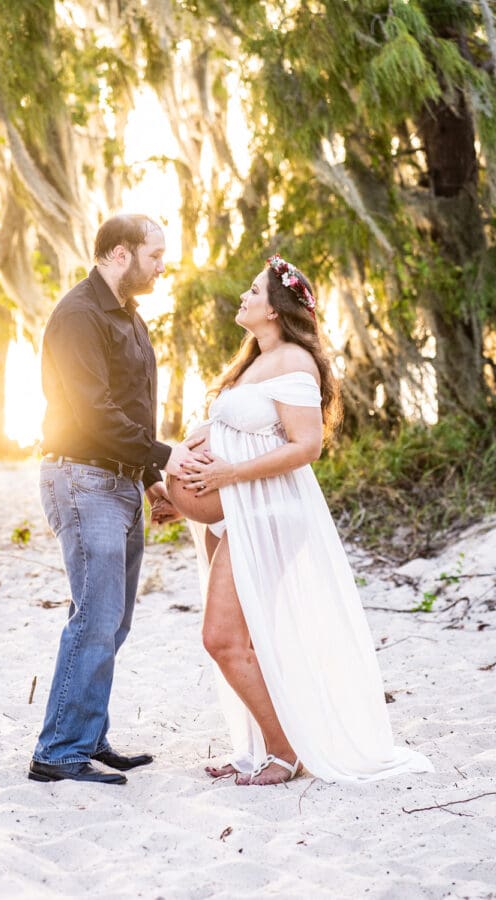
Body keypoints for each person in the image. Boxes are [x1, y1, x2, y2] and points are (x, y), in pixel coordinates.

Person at [170, 254, 434, 785]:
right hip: (241, 513)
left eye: (252, 291)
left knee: (222, 638)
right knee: (248, 637)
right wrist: (179, 487)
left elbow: (307, 446)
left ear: (275, 308)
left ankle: (285, 751)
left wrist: (229, 475)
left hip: (270, 513)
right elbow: (234, 431)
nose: (243, 298)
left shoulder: (295, 360)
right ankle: (255, 749)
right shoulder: (253, 361)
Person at [29, 214, 203, 785]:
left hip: (119, 481)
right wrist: (163, 456)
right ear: (121, 253)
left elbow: (128, 408)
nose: (161, 266)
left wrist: (146, 475)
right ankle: (57, 752)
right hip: (82, 481)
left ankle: (86, 736)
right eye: (155, 254)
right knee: (94, 618)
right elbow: (94, 412)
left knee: (113, 620)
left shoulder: (127, 315)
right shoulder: (79, 315)